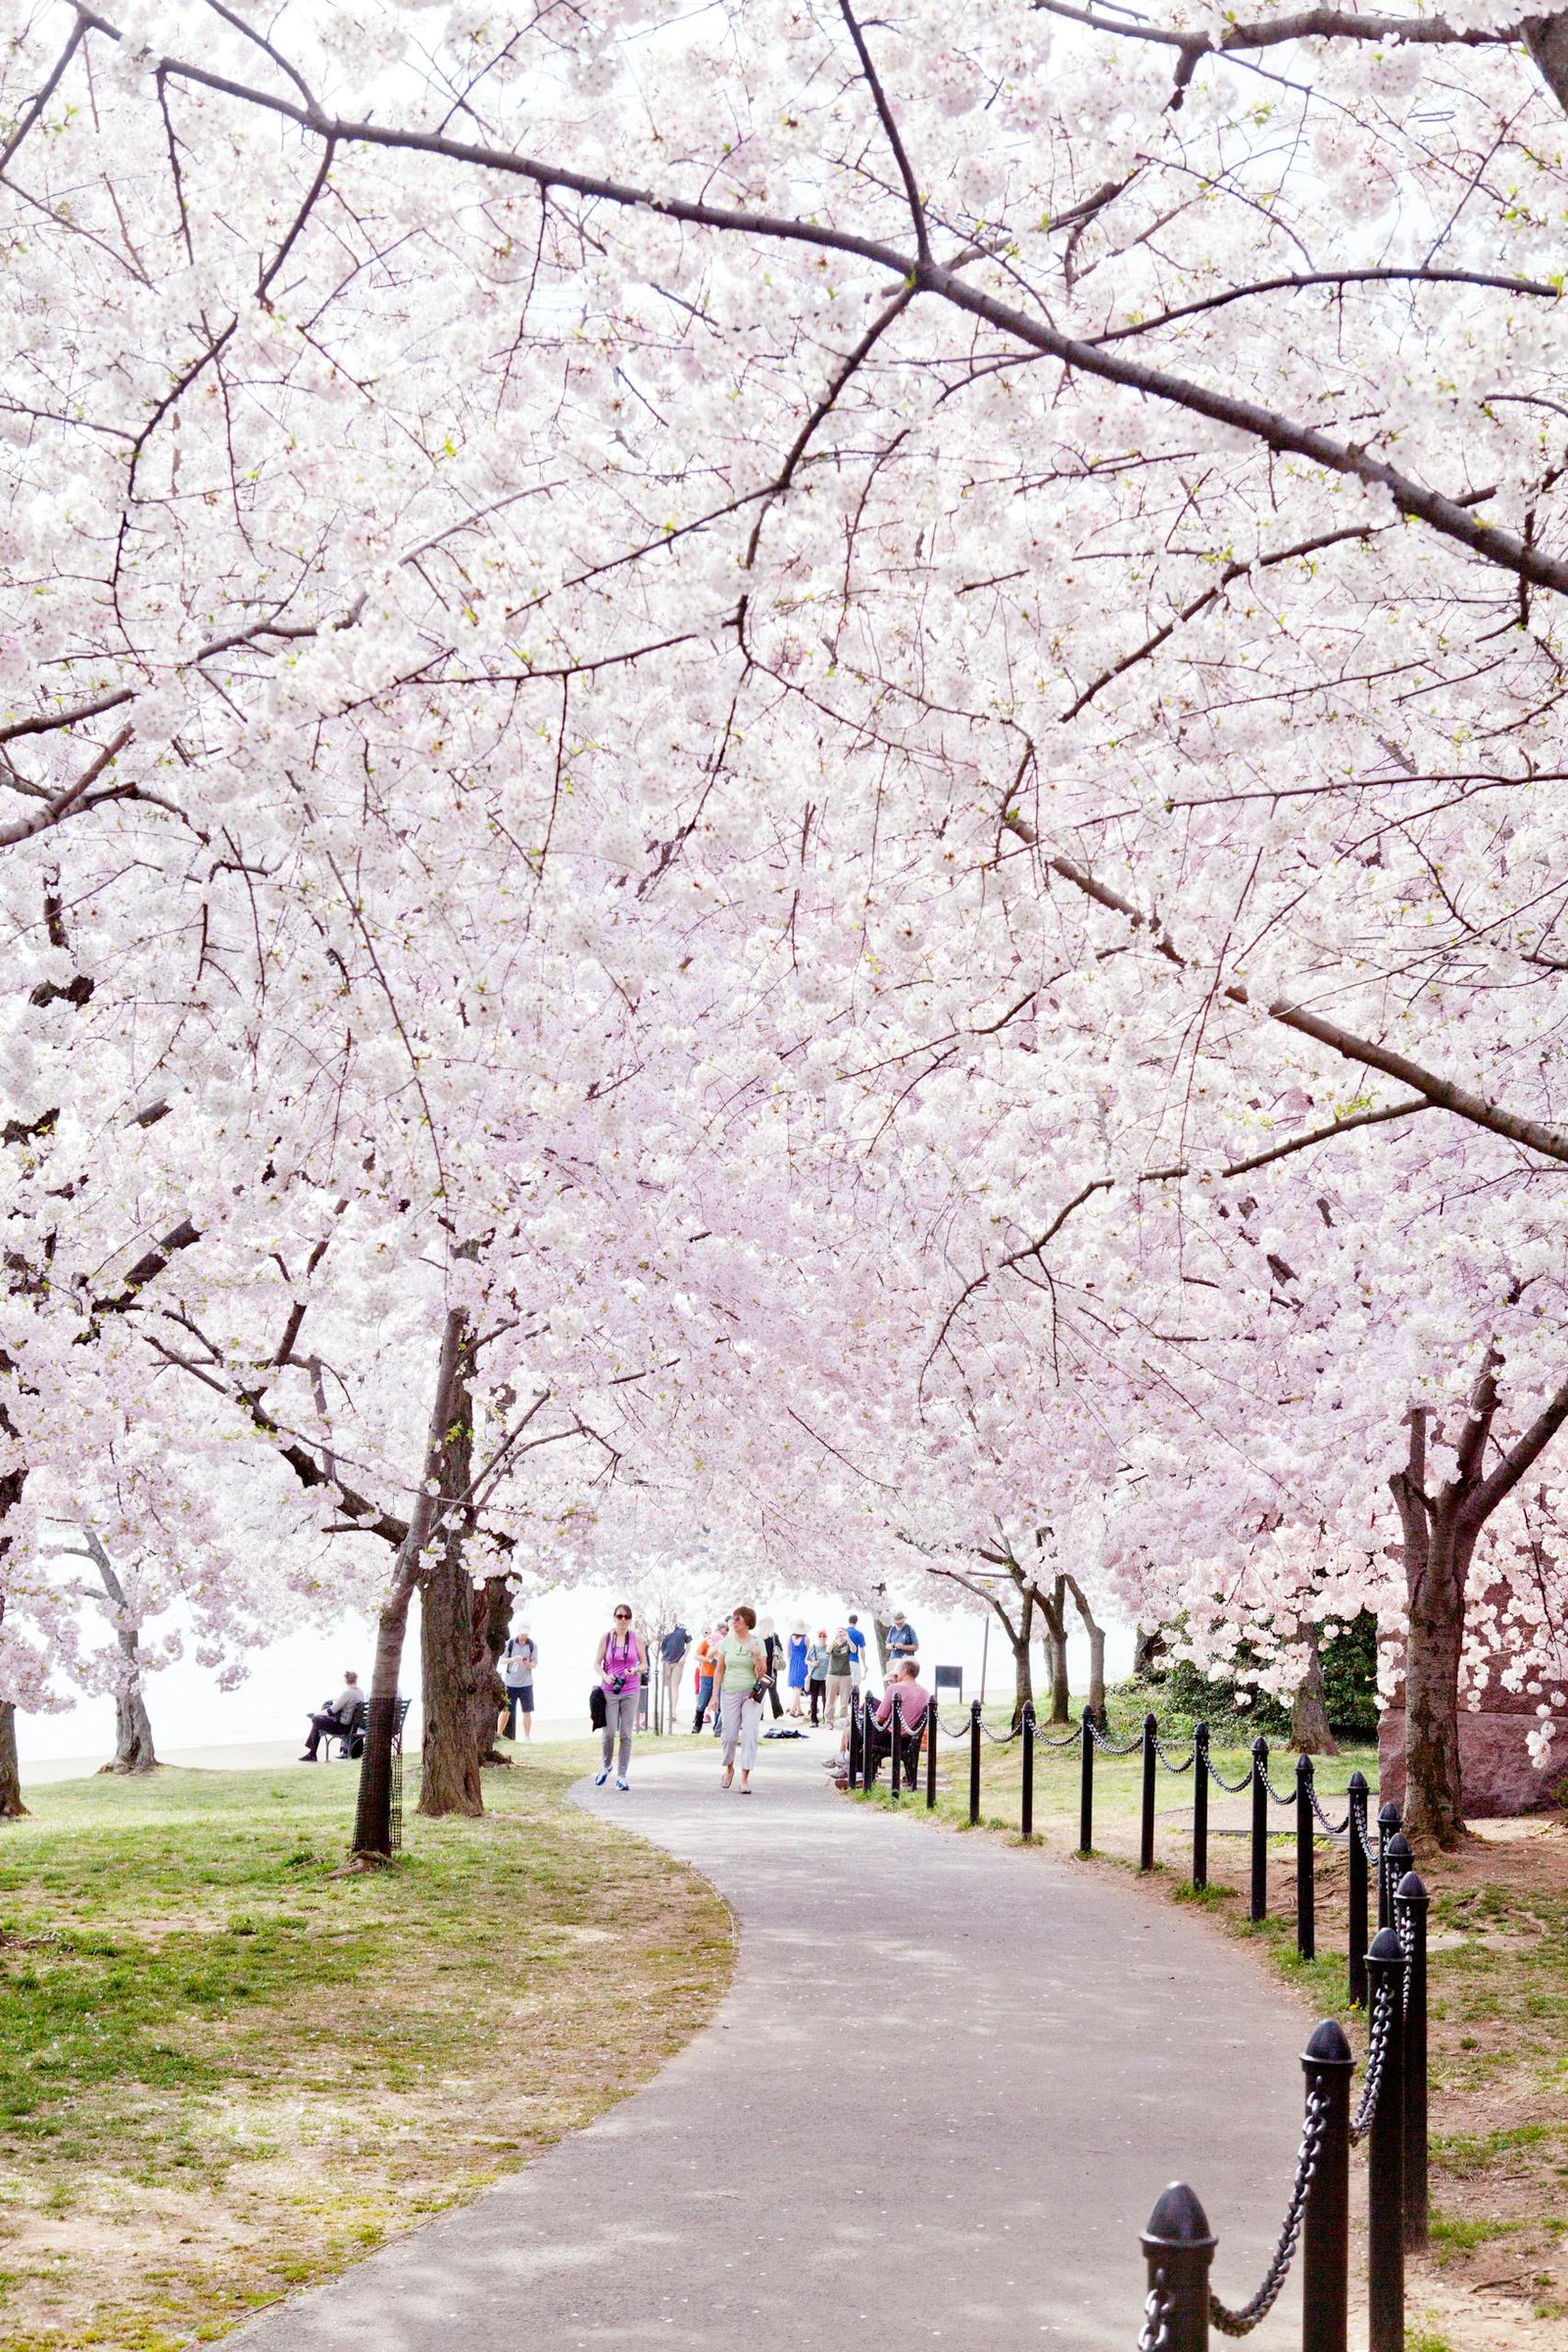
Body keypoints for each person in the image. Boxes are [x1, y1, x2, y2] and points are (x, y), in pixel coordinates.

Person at [711, 1602, 767, 1792]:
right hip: (729, 1692)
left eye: (738, 1619)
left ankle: (745, 1777)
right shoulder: (726, 1642)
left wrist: (758, 1656)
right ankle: (729, 1768)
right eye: (733, 1618)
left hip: (751, 1693)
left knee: (750, 1733)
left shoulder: (758, 1642)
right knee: (729, 1735)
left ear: (747, 1622)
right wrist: (714, 1696)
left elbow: (762, 1674)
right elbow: (719, 1670)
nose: (733, 1622)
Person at [595, 1605, 646, 1789]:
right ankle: (607, 1766)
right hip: (609, 1689)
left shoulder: (635, 1638)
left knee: (626, 1734)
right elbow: (596, 1663)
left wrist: (636, 1669)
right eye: (619, 1616)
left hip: (631, 1689)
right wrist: (606, 1676)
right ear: (614, 1618)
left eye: (627, 1616)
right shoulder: (607, 1637)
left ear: (630, 1619)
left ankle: (622, 1776)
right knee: (608, 1733)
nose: (623, 1620)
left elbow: (644, 1664)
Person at [873, 1657, 932, 1779]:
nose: (897, 1674)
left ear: (904, 1672)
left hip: (891, 1739)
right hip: (910, 1740)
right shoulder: (925, 1693)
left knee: (856, 1733)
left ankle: (856, 1772)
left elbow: (880, 1718)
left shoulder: (894, 1688)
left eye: (898, 1671)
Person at [300, 1670, 364, 1761]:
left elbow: (331, 1711)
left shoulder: (347, 1693)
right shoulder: (360, 1692)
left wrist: (318, 1714)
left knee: (315, 1720)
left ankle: (312, 1754)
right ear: (356, 1679)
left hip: (343, 1727)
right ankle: (312, 1754)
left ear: (346, 1681)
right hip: (352, 1726)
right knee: (317, 1722)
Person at [501, 1629, 536, 1740]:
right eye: (522, 1634)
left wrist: (527, 1663)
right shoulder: (510, 1644)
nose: (524, 1636)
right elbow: (501, 1660)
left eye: (526, 1634)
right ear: (518, 1632)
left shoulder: (532, 1645)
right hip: (510, 1683)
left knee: (527, 1711)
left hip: (526, 1684)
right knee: (506, 1710)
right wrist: (513, 1659)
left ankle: (527, 1736)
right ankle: (499, 1734)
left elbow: (534, 1664)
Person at [694, 1619, 725, 1733]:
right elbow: (696, 1655)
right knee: (703, 1699)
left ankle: (717, 1727)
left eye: (725, 1633)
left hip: (721, 1675)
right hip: (706, 1674)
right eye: (722, 1633)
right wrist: (708, 1660)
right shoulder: (707, 1641)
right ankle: (697, 1725)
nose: (723, 1635)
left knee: (719, 1701)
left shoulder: (725, 1643)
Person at [661, 1621, 691, 1728]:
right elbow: (659, 1642)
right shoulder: (665, 1626)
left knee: (674, 1686)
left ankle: (673, 1711)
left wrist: (684, 1656)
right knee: (668, 1687)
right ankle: (669, 1709)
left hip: (678, 1662)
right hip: (665, 1660)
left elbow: (688, 1643)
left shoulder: (682, 1628)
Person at [824, 1626, 853, 1726]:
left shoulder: (847, 1644)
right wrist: (835, 1638)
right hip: (833, 1674)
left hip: (845, 1675)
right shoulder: (833, 1644)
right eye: (839, 1633)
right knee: (830, 1699)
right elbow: (828, 1650)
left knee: (844, 1700)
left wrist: (847, 1637)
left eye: (842, 1633)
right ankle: (828, 1721)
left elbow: (853, 1650)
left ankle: (843, 1720)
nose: (840, 1635)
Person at [806, 1629, 829, 1725]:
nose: (822, 1637)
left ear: (826, 1637)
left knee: (825, 1699)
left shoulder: (828, 1648)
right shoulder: (813, 1648)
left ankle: (826, 1718)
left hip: (825, 1678)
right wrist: (812, 1663)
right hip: (814, 1677)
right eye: (820, 1635)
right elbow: (806, 1660)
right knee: (813, 1699)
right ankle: (814, 1720)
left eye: (824, 1636)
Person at [786, 1621, 808, 1718]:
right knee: (798, 1687)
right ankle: (792, 1709)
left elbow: (787, 1654)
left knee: (795, 1688)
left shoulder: (789, 1638)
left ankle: (798, 1710)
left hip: (792, 1663)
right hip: (802, 1663)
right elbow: (808, 1654)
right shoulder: (806, 1639)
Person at [846, 1612, 868, 1691]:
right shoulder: (859, 1634)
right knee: (855, 1686)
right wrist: (864, 1664)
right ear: (856, 1622)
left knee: (843, 1686)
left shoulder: (843, 1633)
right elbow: (862, 1651)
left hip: (843, 1662)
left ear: (848, 1621)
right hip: (854, 1661)